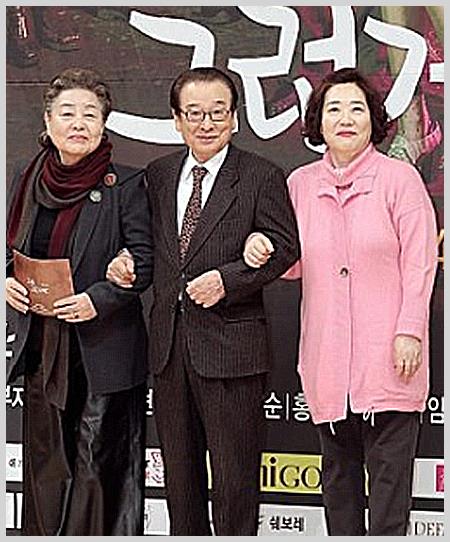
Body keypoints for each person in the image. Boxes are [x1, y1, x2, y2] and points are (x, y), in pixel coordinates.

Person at [243, 68, 437, 536]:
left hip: (391, 358)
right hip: (327, 361)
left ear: (374, 119)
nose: (345, 119)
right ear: (318, 122)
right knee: (338, 484)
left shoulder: (400, 180)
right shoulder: (300, 184)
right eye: (333, 109)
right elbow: (291, 263)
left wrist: (409, 331)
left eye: (356, 108)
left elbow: (420, 262)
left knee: (389, 491)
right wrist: (260, 246)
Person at [106, 66, 300, 535]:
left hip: (232, 351)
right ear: (177, 119)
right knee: (180, 482)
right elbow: (153, 251)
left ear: (234, 117)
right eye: (194, 113)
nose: (206, 123)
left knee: (235, 483)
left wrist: (228, 280)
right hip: (169, 350)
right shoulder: (159, 175)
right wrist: (127, 264)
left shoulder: (260, 175)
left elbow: (285, 248)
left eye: (217, 112)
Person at [6, 67, 153, 535]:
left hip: (103, 349)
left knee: (97, 470)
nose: (79, 123)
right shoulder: (26, 179)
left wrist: (99, 299)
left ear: (104, 124)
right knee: (47, 469)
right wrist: (7, 280)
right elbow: (12, 250)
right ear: (47, 121)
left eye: (90, 114)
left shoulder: (125, 185)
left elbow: (145, 262)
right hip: (44, 348)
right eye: (67, 112)